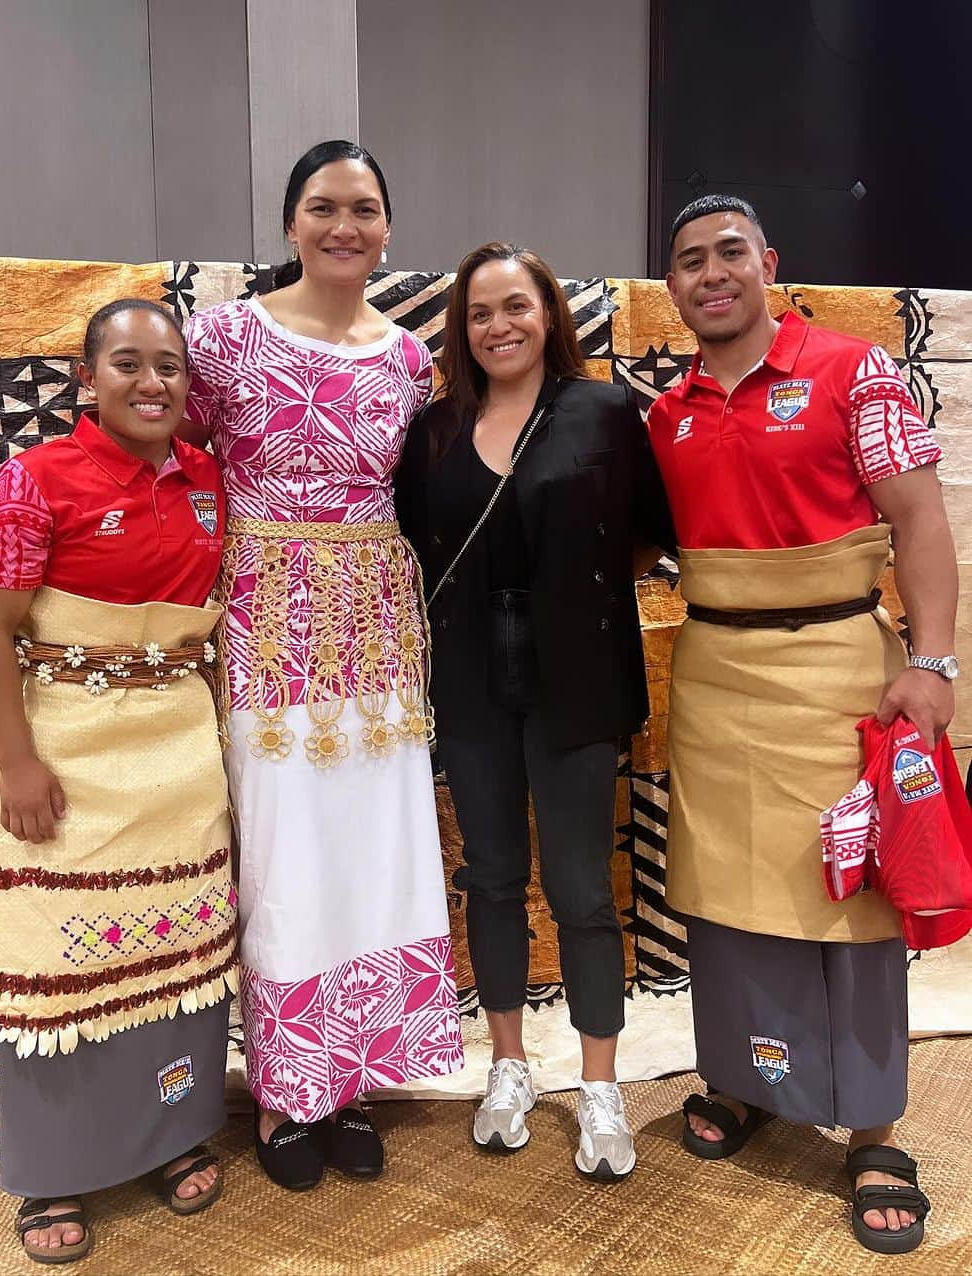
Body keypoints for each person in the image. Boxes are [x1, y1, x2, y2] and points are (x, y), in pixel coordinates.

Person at [647, 194, 949, 1254]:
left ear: (769, 262)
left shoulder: (854, 371)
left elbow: (919, 518)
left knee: (852, 898)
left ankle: (873, 1130)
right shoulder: (668, 407)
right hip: (720, 672)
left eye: (730, 252)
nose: (711, 273)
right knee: (728, 900)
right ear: (673, 288)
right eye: (689, 261)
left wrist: (933, 662)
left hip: (837, 670)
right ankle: (745, 1078)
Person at [180, 139, 464, 1192]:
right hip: (263, 620)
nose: (345, 225)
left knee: (374, 844)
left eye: (365, 207)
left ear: (388, 227)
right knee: (284, 848)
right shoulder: (222, 340)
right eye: (323, 206)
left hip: (377, 631)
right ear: (289, 224)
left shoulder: (408, 359)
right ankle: (285, 1091)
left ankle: (356, 1077)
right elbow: (177, 467)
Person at [0, 299, 237, 1263]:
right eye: (128, 363)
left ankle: (168, 1136)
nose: (153, 382)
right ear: (87, 378)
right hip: (64, 752)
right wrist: (18, 762)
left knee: (179, 959)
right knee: (62, 966)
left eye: (169, 365)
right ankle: (53, 1173)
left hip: (178, 756)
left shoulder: (210, 479)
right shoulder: (31, 481)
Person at [395, 242, 674, 1180]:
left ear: (550, 314)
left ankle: (601, 1083)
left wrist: (575, 600)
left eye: (517, 306)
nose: (499, 326)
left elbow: (649, 534)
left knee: (585, 890)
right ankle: (506, 1065)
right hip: (470, 678)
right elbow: (411, 548)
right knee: (494, 875)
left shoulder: (601, 410)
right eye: (480, 312)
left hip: (577, 679)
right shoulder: (432, 431)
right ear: (461, 329)